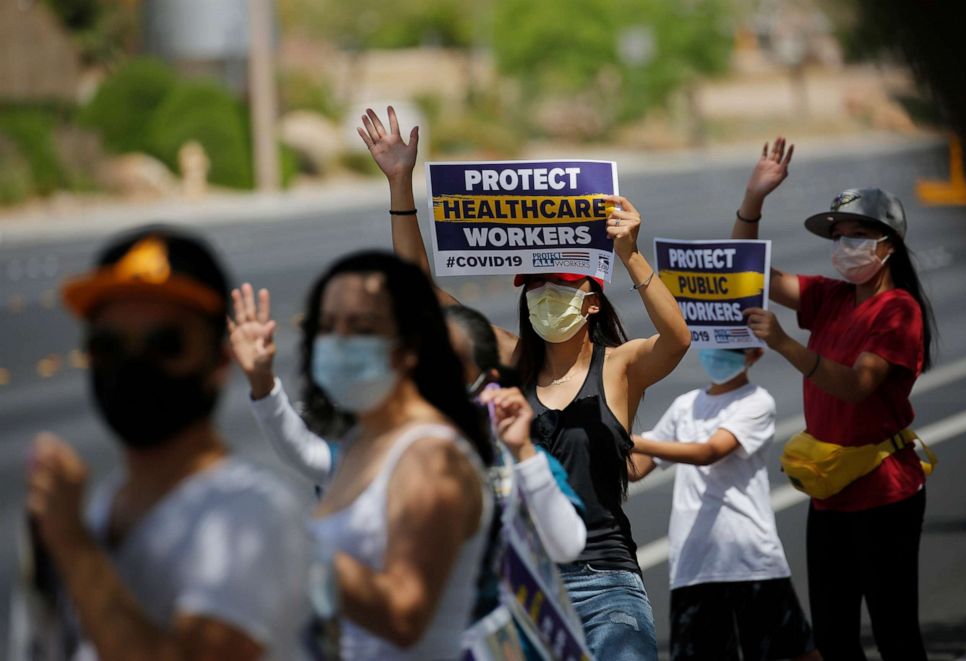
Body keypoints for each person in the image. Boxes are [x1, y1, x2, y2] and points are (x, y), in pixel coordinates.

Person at [358, 106, 692, 659]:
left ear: (590, 300)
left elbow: (677, 339)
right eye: (533, 286)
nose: (542, 297)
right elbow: (420, 293)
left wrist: (630, 255)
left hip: (608, 584)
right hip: (528, 584)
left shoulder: (619, 366)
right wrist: (400, 184)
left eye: (556, 287)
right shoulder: (510, 360)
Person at [22, 225, 309, 660]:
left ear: (219, 362)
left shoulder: (251, 512)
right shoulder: (104, 506)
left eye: (165, 343)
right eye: (107, 345)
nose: (132, 365)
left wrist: (72, 545)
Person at [733, 138, 936, 660]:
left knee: (895, 632)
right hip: (830, 486)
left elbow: (856, 384)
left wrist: (783, 343)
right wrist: (753, 199)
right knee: (834, 636)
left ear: (888, 242)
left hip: (884, 492)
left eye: (858, 235)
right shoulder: (830, 297)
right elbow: (744, 275)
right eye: (839, 237)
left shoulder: (899, 310)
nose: (846, 245)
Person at [294, 250, 496, 659]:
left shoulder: (431, 457)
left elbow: (405, 615)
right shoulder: (363, 440)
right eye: (327, 327)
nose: (339, 342)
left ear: (409, 346)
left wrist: (294, 546)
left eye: (362, 328)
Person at [629, 348, 820, 661]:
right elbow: (634, 469)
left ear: (755, 354)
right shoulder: (685, 405)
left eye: (732, 348)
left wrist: (634, 440)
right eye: (715, 345)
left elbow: (710, 452)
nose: (719, 354)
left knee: (793, 651)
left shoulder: (756, 402)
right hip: (694, 564)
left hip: (750, 559)